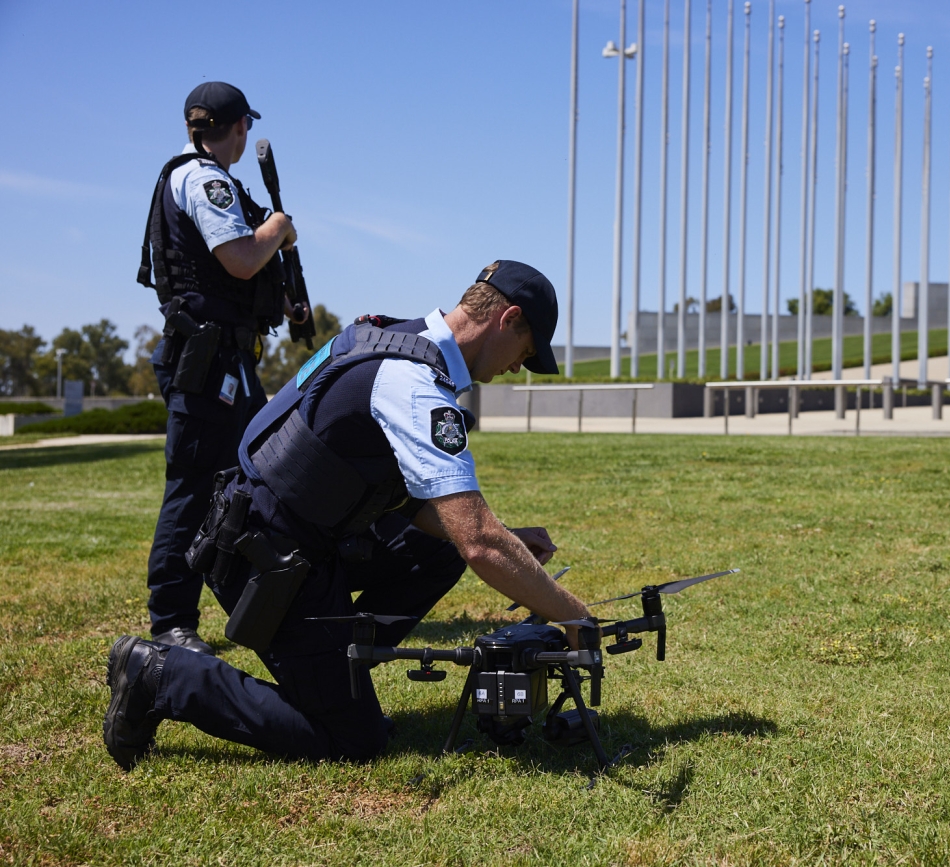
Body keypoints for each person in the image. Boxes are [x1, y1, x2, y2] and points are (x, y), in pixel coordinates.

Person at [103, 260, 593, 770]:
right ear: (508, 318)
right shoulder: (415, 384)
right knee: (350, 740)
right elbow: (480, 544)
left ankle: (335, 671)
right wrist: (572, 614)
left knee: (441, 550)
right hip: (267, 558)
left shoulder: (384, 335)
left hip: (288, 530)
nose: (518, 366)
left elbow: (411, 501)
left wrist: (506, 537)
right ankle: (159, 675)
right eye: (526, 351)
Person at [137, 81, 306, 655]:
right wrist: (279, 228)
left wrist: (283, 301)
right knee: (192, 489)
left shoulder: (211, 180)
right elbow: (237, 259)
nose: (247, 137)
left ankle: (261, 602)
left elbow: (232, 275)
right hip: (207, 363)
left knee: (251, 479)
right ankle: (172, 624)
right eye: (246, 128)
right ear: (236, 128)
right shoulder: (204, 179)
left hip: (227, 358)